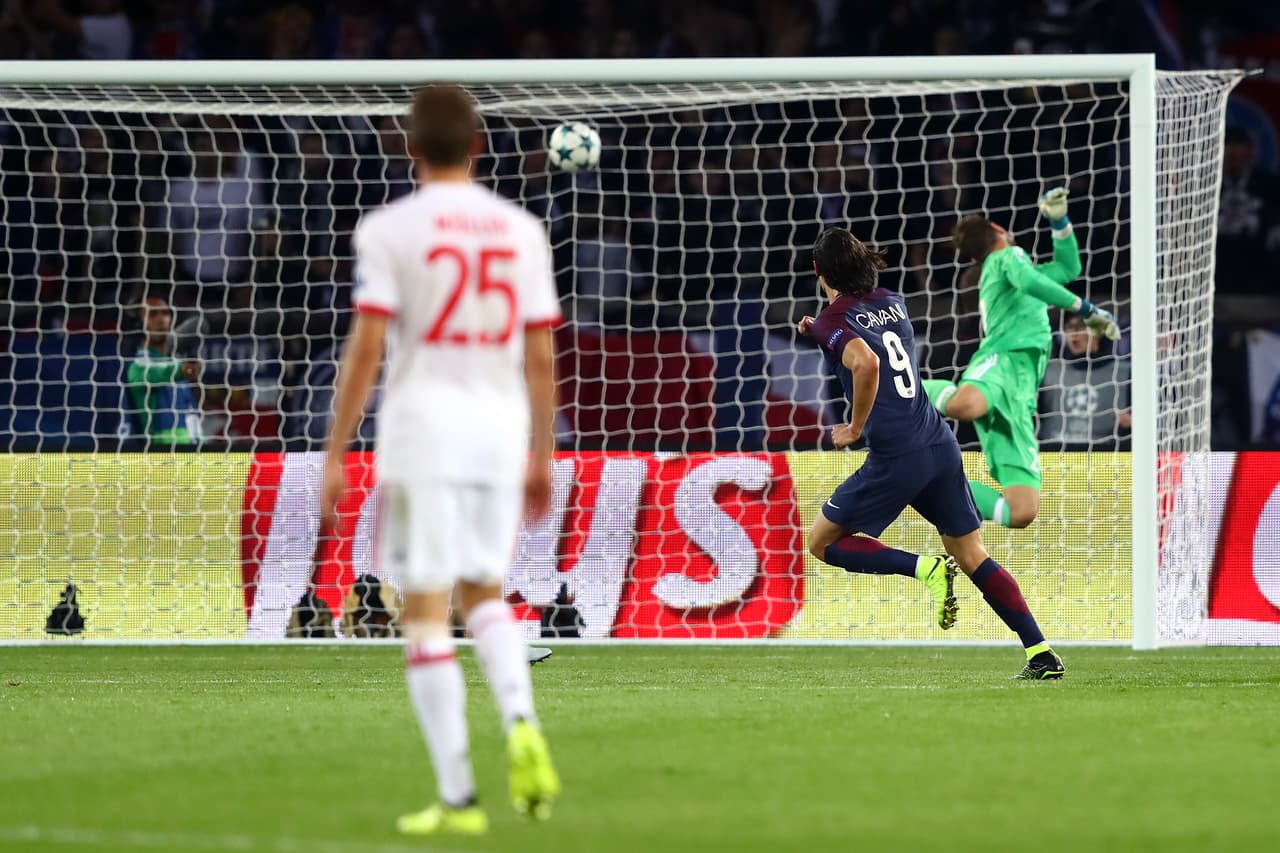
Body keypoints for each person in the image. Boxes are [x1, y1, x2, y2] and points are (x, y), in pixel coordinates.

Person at [319, 84, 561, 836]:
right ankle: (521, 719)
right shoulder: (521, 230)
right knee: (484, 594)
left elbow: (366, 346)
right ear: (479, 147)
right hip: (498, 429)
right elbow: (541, 355)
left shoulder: (390, 228)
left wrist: (336, 450)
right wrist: (542, 452)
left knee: (425, 612)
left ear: (411, 147)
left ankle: (458, 796)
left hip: (423, 430)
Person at [798, 227, 1064, 680]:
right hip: (939, 444)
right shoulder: (893, 300)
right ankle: (1040, 652)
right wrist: (821, 328)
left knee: (822, 543)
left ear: (817, 270)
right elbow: (867, 335)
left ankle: (924, 568)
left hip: (896, 456)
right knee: (973, 555)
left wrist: (855, 427)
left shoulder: (832, 321)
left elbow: (867, 362)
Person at [920, 189, 1119, 528]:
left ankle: (929, 489)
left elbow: (1068, 267)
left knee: (1021, 511)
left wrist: (1060, 221)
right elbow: (1029, 279)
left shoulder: (1015, 275)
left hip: (1022, 391)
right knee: (965, 406)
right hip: (1004, 359)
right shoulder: (1006, 257)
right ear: (998, 230)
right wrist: (1087, 310)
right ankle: (907, 386)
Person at [1039, 313, 1131, 450]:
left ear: (1099, 332)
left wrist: (1129, 424)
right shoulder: (1048, 370)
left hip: (1105, 454)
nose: (1074, 333)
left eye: (1081, 326)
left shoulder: (1124, 372)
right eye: (1069, 327)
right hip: (1053, 452)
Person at [125, 294, 201, 447]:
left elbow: (192, 413)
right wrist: (181, 371)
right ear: (140, 324)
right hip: (159, 452)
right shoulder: (137, 367)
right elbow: (158, 372)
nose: (161, 319)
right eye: (152, 314)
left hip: (191, 449)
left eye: (165, 313)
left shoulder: (178, 363)